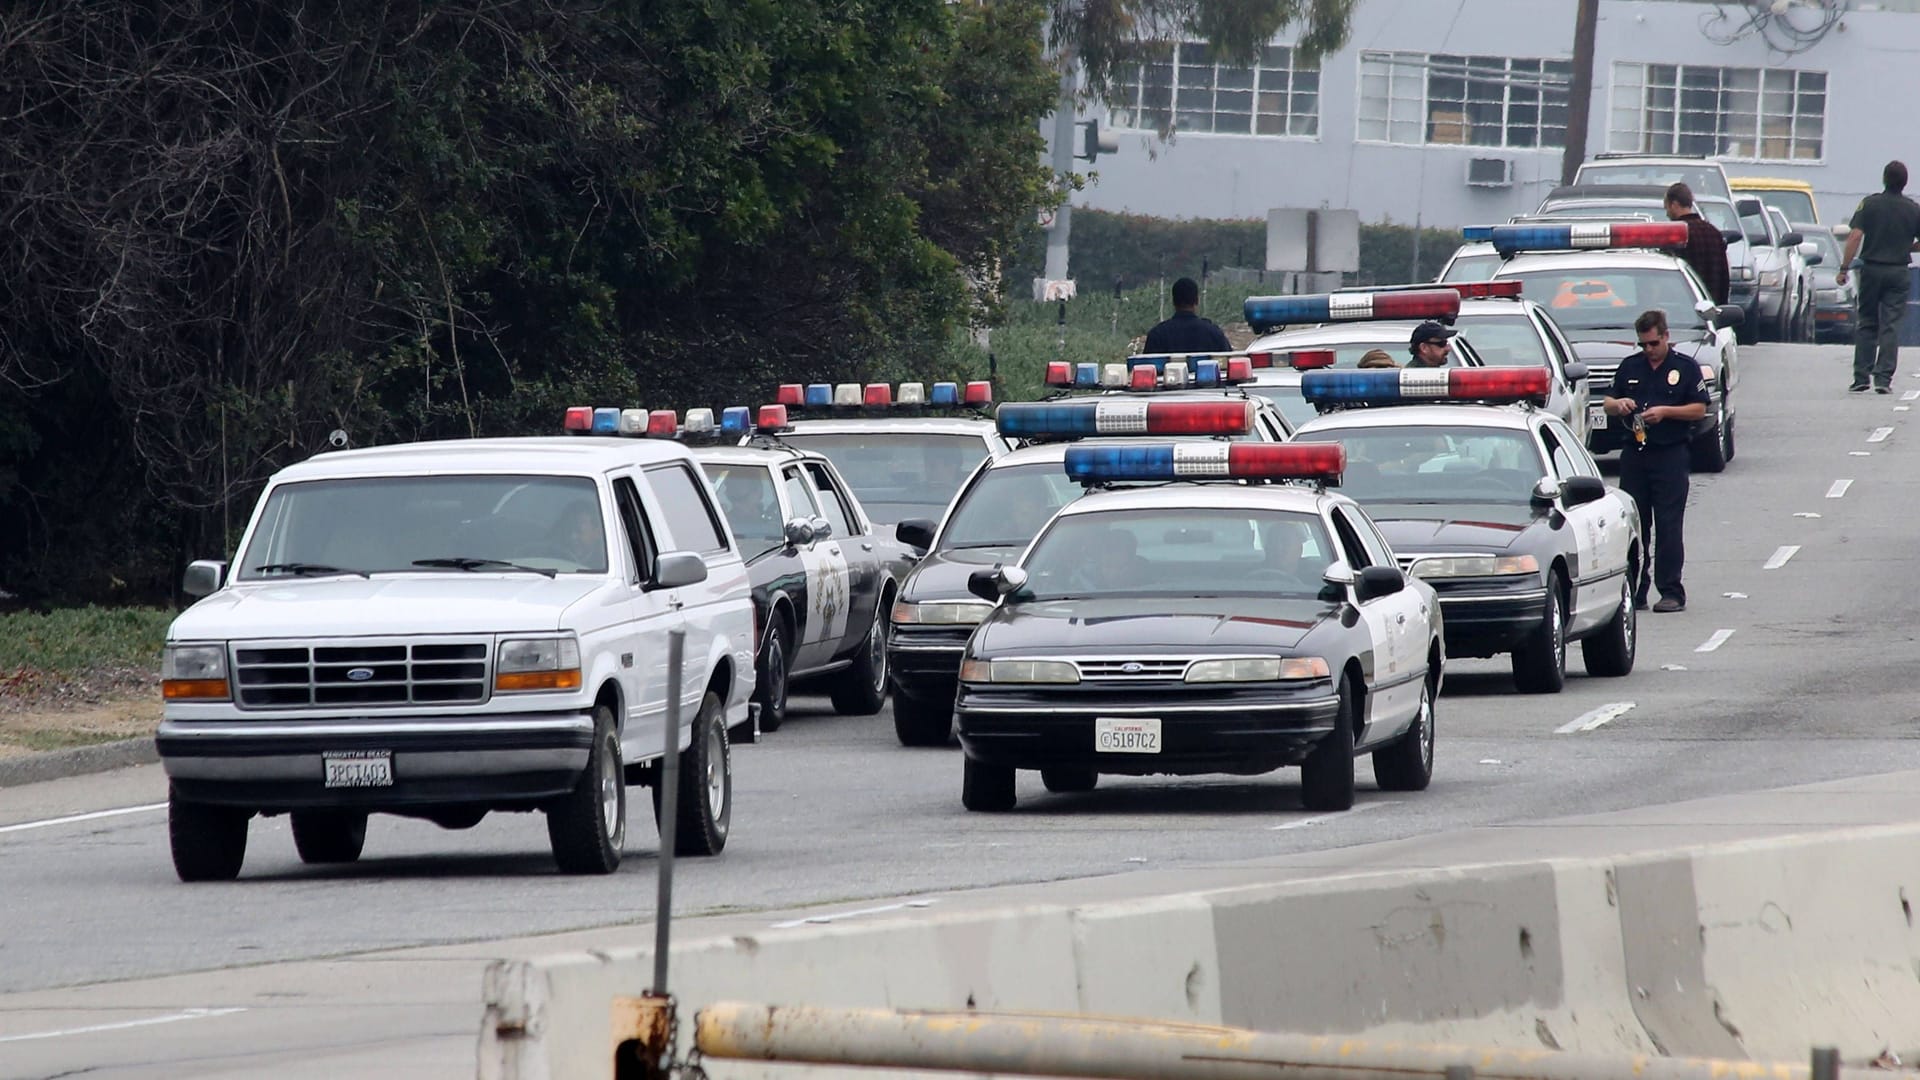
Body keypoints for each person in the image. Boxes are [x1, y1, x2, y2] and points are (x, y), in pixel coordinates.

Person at [1602, 309, 1708, 613]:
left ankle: (1671, 590)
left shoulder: (1685, 368)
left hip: (1670, 454)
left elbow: (1698, 410)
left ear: (1665, 337)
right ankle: (1636, 590)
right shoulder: (1631, 366)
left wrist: (1665, 412)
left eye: (1653, 343)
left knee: (1668, 524)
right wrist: (1618, 404)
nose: (1648, 350)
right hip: (1635, 455)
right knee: (1636, 526)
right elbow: (1608, 401)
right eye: (1643, 344)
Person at [1837, 160, 1920, 393]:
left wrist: (1844, 268)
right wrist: (1908, 247)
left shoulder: (1869, 204)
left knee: (1867, 322)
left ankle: (1861, 376)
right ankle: (1883, 379)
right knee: (1891, 325)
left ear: (1884, 178)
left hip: (1872, 270)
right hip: (1899, 272)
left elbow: (1854, 236)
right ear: (1905, 182)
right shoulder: (1913, 209)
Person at [1665, 182, 1730, 305]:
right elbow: (1724, 277)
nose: (1666, 213)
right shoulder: (1714, 233)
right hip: (1713, 305)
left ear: (1674, 205)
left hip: (1685, 306)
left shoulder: (1675, 235)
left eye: (1667, 207)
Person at [1143, 277, 1231, 354]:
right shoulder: (1214, 334)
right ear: (1197, 301)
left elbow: (1146, 366)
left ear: (1174, 302)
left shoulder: (1157, 335)